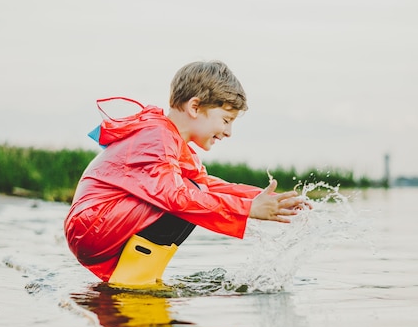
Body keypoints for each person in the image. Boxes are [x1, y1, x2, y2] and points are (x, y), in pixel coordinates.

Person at [64, 60, 306, 285]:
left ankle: (140, 277)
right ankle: (135, 282)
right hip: (93, 225)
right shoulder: (157, 136)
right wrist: (247, 210)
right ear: (195, 107)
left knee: (195, 189)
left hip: (100, 224)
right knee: (188, 194)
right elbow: (175, 195)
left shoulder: (171, 140)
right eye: (225, 120)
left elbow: (208, 185)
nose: (229, 131)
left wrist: (261, 199)